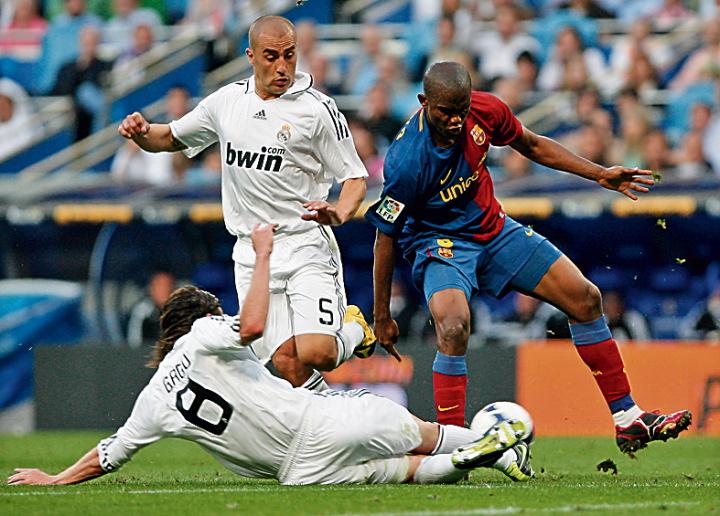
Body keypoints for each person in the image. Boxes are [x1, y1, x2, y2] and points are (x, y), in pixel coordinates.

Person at [6, 225, 533, 487]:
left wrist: (54, 479)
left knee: (403, 472)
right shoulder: (204, 334)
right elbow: (255, 326)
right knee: (424, 434)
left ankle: (490, 456)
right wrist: (262, 256)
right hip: (318, 422)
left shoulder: (153, 399)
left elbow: (109, 454)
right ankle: (489, 446)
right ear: (200, 317)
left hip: (298, 472)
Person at [365, 61, 691, 455]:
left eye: (461, 110)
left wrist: (599, 174)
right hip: (440, 243)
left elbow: (532, 145)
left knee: (585, 298)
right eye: (445, 112)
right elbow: (385, 237)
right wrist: (381, 316)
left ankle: (628, 419)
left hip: (494, 229)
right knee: (453, 326)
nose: (455, 120)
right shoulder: (406, 161)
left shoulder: (486, 109)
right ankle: (453, 447)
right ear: (424, 102)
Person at [117, 15, 374, 392]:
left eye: (289, 55)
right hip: (252, 253)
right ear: (251, 56)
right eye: (271, 56)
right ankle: (334, 422)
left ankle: (356, 329)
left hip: (304, 243)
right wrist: (141, 134)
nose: (282, 66)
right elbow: (170, 137)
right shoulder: (227, 102)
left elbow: (355, 178)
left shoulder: (318, 109)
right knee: (286, 362)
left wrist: (339, 212)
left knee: (317, 352)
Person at [126, 271, 176, 347]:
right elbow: (134, 341)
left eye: (167, 286)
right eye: (159, 286)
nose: (163, 290)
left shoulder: (181, 310)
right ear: (151, 289)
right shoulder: (142, 310)